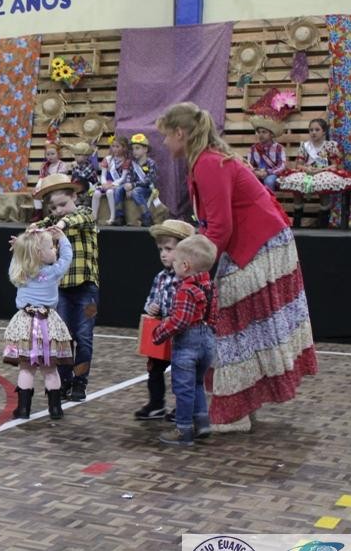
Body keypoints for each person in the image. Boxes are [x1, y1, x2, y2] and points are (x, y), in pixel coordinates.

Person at [156, 101, 316, 429]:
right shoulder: (207, 160)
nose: (164, 142)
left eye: (165, 135)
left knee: (230, 323)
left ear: (180, 133)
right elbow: (214, 225)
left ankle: (235, 413)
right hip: (258, 241)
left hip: (257, 243)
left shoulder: (207, 164)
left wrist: (191, 268)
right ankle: (242, 406)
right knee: (239, 324)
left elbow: (220, 228)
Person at [31, 173, 99, 402]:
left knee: (84, 336)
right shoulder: (51, 223)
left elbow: (76, 218)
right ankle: (63, 381)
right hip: (61, 290)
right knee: (62, 336)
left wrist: (60, 225)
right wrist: (32, 231)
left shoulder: (86, 214)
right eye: (54, 208)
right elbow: (38, 226)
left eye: (63, 204)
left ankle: (80, 381)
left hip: (87, 289)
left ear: (74, 198)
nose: (59, 210)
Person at [151, 234, 219, 446]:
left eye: (176, 262)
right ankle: (202, 422)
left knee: (183, 389)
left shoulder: (185, 290)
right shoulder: (210, 286)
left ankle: (183, 430)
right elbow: (215, 316)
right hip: (208, 342)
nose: (173, 265)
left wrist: (159, 333)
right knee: (197, 383)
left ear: (186, 266)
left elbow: (180, 321)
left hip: (188, 346)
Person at [4, 227, 74, 419]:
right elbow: (67, 257)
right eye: (51, 247)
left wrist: (18, 251)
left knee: (26, 368)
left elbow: (15, 264)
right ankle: (55, 409)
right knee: (50, 369)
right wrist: (63, 239)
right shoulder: (54, 272)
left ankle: (23, 409)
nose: (55, 249)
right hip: (49, 324)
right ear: (39, 253)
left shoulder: (21, 272)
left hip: (25, 325)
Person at [133, 219, 194, 421]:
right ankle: (156, 404)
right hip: (163, 332)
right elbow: (151, 299)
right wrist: (151, 306)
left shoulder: (189, 278)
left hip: (182, 334)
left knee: (181, 373)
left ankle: (183, 408)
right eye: (161, 249)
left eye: (169, 249)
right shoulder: (160, 277)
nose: (163, 254)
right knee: (155, 370)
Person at [278, 118, 351, 228]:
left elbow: (335, 165)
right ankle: (297, 223)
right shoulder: (305, 146)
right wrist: (307, 169)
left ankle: (323, 224)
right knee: (297, 187)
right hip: (308, 173)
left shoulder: (330, 146)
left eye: (317, 130)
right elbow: (299, 165)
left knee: (324, 187)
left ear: (324, 131)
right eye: (311, 130)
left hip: (324, 172)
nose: (313, 132)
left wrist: (320, 170)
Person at [112, 133, 156, 226]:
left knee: (136, 192)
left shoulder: (151, 163)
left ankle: (147, 216)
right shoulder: (133, 163)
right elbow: (129, 175)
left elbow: (148, 180)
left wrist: (133, 185)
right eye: (133, 149)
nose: (134, 151)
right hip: (133, 186)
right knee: (118, 189)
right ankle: (120, 216)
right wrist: (128, 186)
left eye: (137, 148)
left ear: (145, 149)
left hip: (146, 188)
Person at [93, 135, 130, 223]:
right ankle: (94, 217)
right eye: (113, 146)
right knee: (96, 193)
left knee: (110, 192)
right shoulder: (108, 159)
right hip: (106, 183)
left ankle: (112, 217)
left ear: (124, 148)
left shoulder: (126, 161)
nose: (115, 149)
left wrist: (112, 184)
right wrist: (104, 183)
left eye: (117, 146)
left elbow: (123, 177)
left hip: (117, 184)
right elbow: (103, 175)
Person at [247, 117, 286, 193]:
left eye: (264, 132)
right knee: (248, 180)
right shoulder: (253, 148)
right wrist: (255, 172)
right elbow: (249, 165)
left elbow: (282, 165)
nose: (261, 135)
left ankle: (269, 200)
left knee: (269, 181)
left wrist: (267, 172)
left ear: (271, 134)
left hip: (272, 173)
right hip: (257, 173)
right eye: (259, 132)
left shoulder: (278, 148)